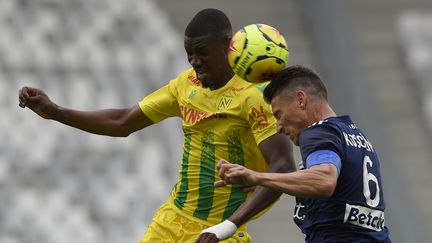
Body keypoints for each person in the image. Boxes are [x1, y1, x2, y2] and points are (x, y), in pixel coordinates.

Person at [18, 8, 296, 243]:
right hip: (170, 221)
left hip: (219, 229)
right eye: (189, 54)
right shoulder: (185, 85)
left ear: (227, 46)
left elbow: (283, 167)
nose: (194, 62)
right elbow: (122, 121)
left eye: (201, 53)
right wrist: (55, 111)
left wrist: (228, 226)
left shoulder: (253, 96)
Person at [215, 65, 391, 242]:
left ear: (300, 100)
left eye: (278, 114)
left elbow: (324, 180)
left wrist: (257, 177)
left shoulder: (317, 133)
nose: (278, 127)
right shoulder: (353, 135)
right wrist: (266, 181)